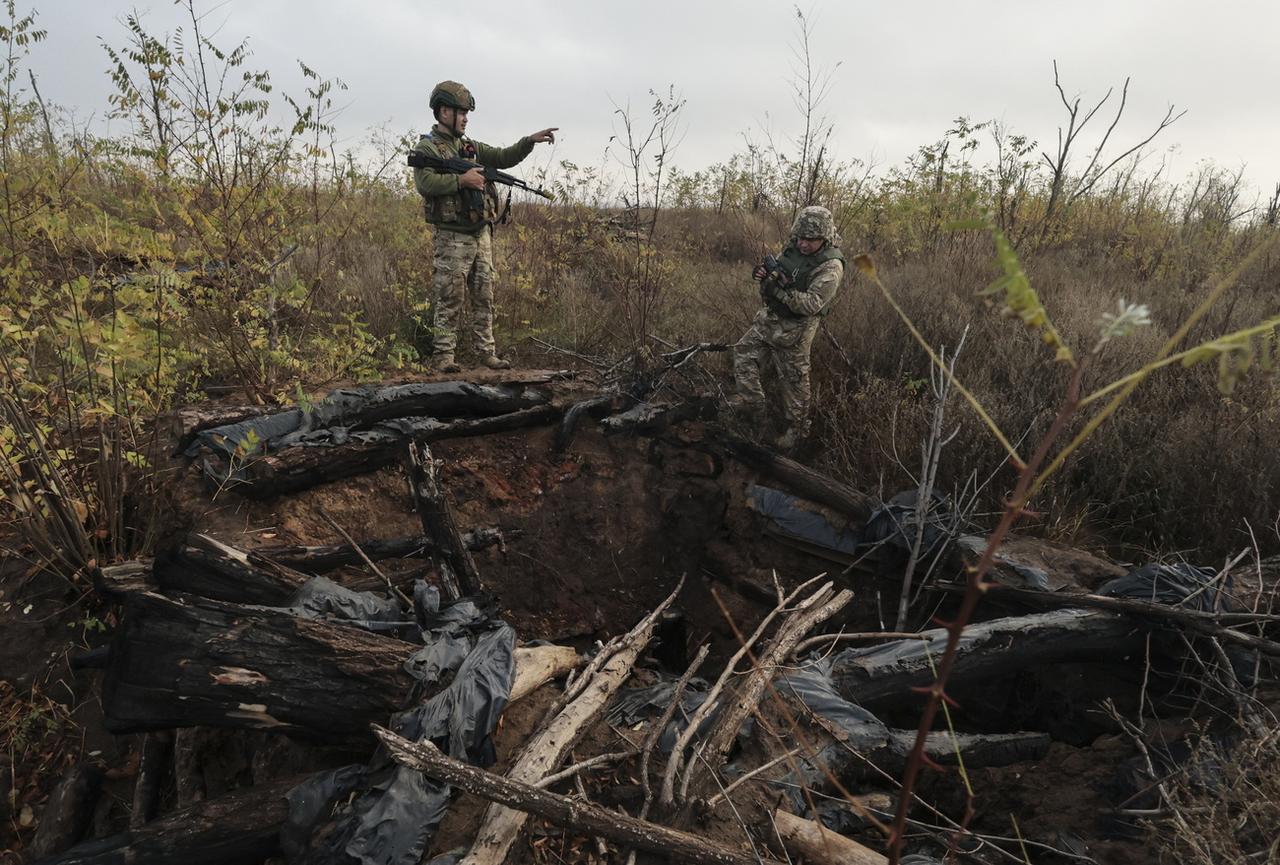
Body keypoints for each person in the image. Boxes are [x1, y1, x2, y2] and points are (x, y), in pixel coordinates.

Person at [412, 80, 557, 372]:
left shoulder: (470, 147)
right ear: (443, 112)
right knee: (449, 297)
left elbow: (503, 157)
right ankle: (443, 357)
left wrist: (528, 141)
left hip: (480, 234)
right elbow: (424, 183)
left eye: (467, 113)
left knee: (484, 296)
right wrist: (461, 180)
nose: (465, 118)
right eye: (460, 112)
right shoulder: (428, 147)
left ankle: (486, 353)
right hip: (452, 235)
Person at [731, 205, 846, 451]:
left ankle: (798, 434)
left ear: (824, 238)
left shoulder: (831, 266)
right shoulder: (795, 246)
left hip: (796, 330)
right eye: (801, 237)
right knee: (743, 353)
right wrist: (764, 275)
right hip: (769, 320)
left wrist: (780, 293)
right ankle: (755, 410)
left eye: (810, 240)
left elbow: (813, 304)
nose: (803, 244)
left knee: (794, 381)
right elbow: (783, 270)